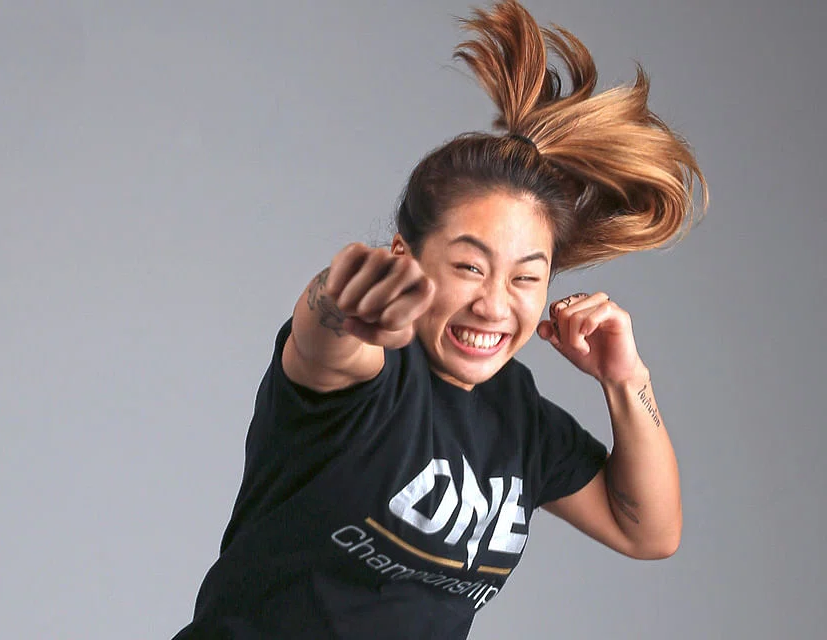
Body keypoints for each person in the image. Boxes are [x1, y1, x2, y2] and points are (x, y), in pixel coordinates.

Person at [174, 1, 706, 638]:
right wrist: (344, 300)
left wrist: (627, 382)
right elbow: (323, 338)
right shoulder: (370, 377)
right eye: (469, 267)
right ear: (405, 254)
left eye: (525, 277)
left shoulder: (520, 421)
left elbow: (648, 532)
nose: (494, 303)